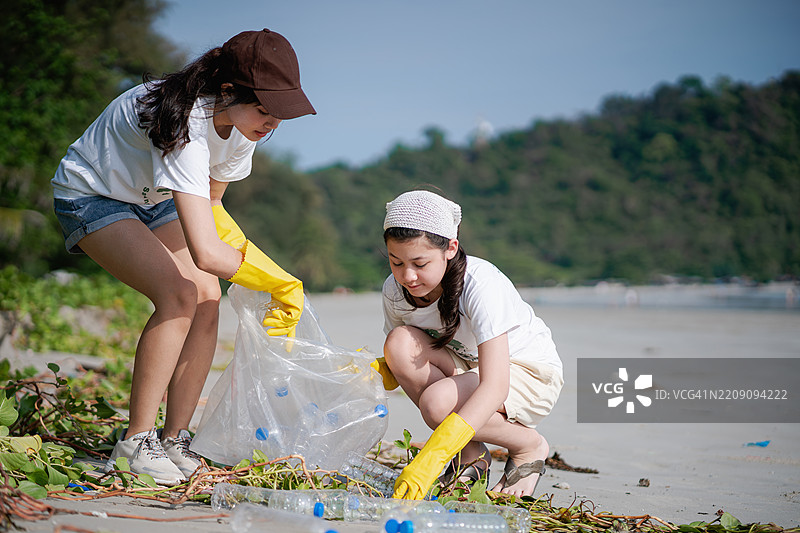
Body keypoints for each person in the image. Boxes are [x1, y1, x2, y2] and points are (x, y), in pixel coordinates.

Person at [51, 29, 315, 485]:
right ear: (228, 90)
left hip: (155, 200)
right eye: (265, 109)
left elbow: (212, 208)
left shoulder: (244, 130)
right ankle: (135, 442)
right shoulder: (185, 124)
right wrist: (278, 282)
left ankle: (175, 439)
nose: (271, 124)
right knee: (177, 294)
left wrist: (255, 267)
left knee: (207, 296)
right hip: (93, 193)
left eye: (280, 115)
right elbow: (208, 251)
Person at [371, 190, 563, 500]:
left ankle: (527, 445)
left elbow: (496, 385)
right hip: (467, 366)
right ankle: (472, 454)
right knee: (397, 344)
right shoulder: (395, 292)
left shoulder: (480, 283)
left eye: (420, 263)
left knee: (437, 404)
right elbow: (404, 356)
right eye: (396, 262)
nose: (408, 276)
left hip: (525, 372)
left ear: (450, 248)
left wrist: (436, 452)